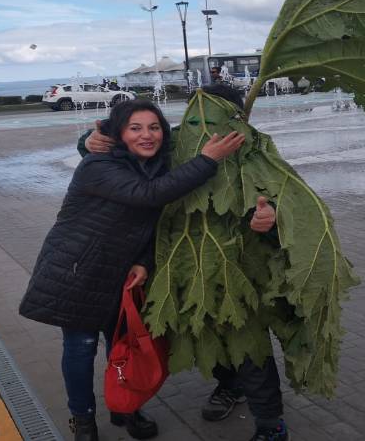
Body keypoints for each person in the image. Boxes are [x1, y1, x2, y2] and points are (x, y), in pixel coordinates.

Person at [19, 98, 245, 441]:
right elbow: (149, 196)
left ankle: (125, 406)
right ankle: (82, 419)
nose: (147, 135)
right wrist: (207, 161)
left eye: (154, 127)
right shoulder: (98, 165)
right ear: (118, 133)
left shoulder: (156, 164)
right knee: (80, 349)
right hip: (78, 270)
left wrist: (144, 261)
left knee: (121, 345)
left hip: (122, 272)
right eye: (135, 128)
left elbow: (153, 222)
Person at [82, 86, 290, 441]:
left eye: (216, 117)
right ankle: (229, 386)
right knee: (210, 331)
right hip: (186, 266)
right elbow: (125, 146)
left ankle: (271, 424)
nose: (205, 127)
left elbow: (281, 197)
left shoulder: (258, 151)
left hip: (240, 265)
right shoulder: (177, 146)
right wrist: (87, 140)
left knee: (249, 344)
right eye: (196, 118)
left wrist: (268, 216)